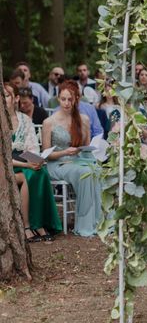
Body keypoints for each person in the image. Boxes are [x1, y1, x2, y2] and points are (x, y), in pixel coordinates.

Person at [42, 81, 103, 237]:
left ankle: (98, 221)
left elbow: (86, 147)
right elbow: (46, 154)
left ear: (77, 99)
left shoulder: (84, 119)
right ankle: (85, 225)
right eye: (63, 99)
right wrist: (64, 153)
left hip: (78, 161)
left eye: (70, 99)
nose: (67, 103)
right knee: (85, 173)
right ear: (58, 98)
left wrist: (89, 150)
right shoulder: (49, 122)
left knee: (96, 169)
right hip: (57, 164)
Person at [5, 83, 62, 241]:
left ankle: (41, 224)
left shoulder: (25, 119)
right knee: (29, 175)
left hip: (24, 159)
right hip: (7, 166)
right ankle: (28, 226)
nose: (3, 100)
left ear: (16, 98)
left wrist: (35, 160)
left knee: (41, 171)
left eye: (7, 96)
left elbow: (31, 147)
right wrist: (27, 165)